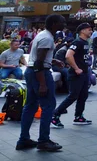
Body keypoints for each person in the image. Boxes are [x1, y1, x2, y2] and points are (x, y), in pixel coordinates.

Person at [16, 14, 66, 152]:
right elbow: (38, 62)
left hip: (31, 72)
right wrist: (43, 84)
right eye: (62, 22)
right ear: (54, 23)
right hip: (40, 73)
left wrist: (52, 60)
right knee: (48, 106)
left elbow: (37, 58)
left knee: (30, 106)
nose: (64, 24)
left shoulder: (43, 35)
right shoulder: (47, 38)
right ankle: (44, 141)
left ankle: (23, 139)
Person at [51, 23, 93, 128]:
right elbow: (68, 55)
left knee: (83, 95)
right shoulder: (77, 42)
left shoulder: (85, 42)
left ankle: (78, 117)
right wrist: (76, 68)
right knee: (73, 96)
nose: (91, 31)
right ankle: (55, 115)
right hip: (76, 74)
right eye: (89, 29)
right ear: (82, 31)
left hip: (84, 73)